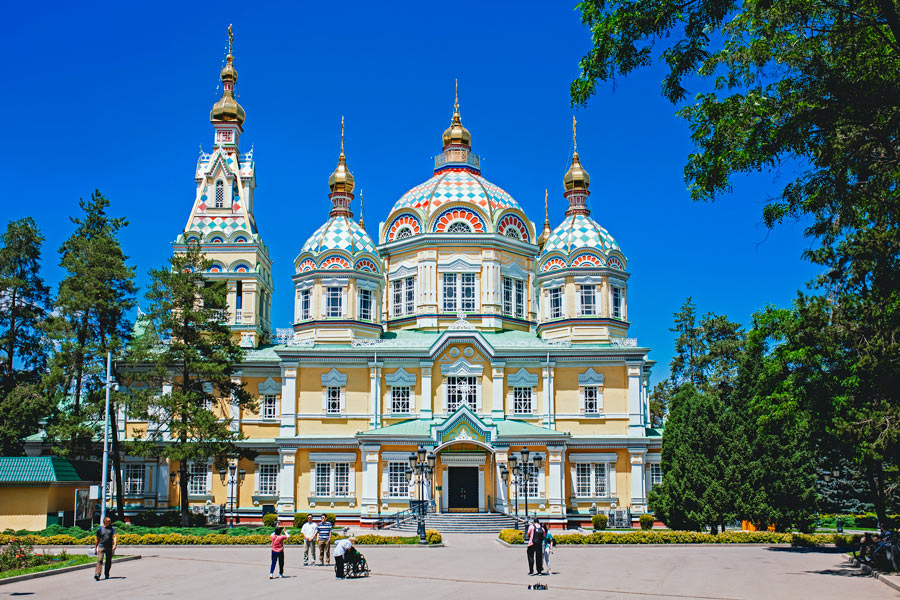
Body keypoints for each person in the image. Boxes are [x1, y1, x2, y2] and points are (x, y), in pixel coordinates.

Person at [94, 516, 117, 581]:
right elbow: (97, 539)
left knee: (108, 561)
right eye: (108, 521)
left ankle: (107, 573)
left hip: (109, 547)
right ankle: (97, 574)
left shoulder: (112, 528)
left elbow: (114, 536)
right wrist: (96, 548)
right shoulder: (100, 529)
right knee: (99, 560)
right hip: (101, 546)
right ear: (105, 521)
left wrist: (115, 544)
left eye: (110, 521)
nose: (109, 522)